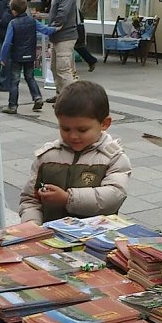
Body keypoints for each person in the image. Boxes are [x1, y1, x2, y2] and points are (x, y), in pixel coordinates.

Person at [19, 80, 131, 223]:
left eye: (82, 130)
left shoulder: (113, 157)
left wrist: (68, 199)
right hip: (49, 234)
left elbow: (114, 196)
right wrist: (32, 224)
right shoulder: (47, 156)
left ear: (104, 123)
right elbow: (30, 199)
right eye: (65, 129)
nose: (73, 136)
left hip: (95, 234)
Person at [0, 0, 55, 115]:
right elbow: (45, 30)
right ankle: (37, 97)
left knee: (14, 81)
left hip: (16, 56)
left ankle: (12, 106)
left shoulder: (13, 23)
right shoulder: (32, 21)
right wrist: (57, 28)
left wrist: (2, 57)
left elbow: (7, 42)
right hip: (30, 54)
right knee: (30, 77)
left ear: (14, 11)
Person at [46, 0, 78, 102]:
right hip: (57, 37)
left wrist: (52, 27)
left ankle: (70, 100)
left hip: (65, 36)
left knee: (63, 69)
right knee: (54, 68)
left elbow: (62, 13)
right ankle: (61, 95)